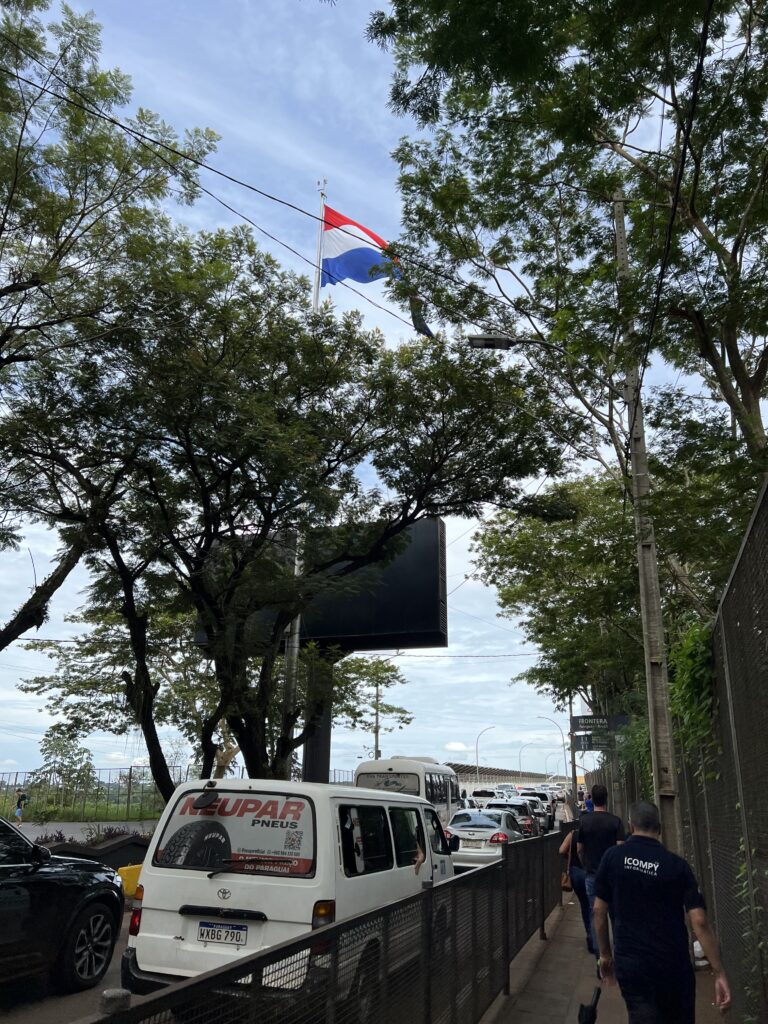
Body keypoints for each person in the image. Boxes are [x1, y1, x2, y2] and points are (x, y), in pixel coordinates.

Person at [593, 800, 731, 1022]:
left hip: (631, 963)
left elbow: (599, 912)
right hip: (672, 965)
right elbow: (699, 921)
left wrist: (605, 955)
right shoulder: (677, 866)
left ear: (630, 826)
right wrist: (719, 971)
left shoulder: (613, 858)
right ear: (660, 828)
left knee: (641, 1016)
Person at [576, 783, 624, 957]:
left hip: (592, 875)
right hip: (612, 877)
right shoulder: (615, 822)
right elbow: (620, 848)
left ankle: (600, 956)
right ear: (606, 799)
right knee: (615, 915)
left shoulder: (584, 821)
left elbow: (579, 849)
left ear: (591, 799)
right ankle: (619, 954)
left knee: (595, 913)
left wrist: (585, 865)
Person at [559, 827, 594, 954]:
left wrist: (570, 855)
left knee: (585, 905)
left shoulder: (574, 834)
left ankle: (590, 934)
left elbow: (561, 850)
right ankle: (595, 935)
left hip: (576, 873)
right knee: (594, 906)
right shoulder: (595, 834)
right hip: (592, 872)